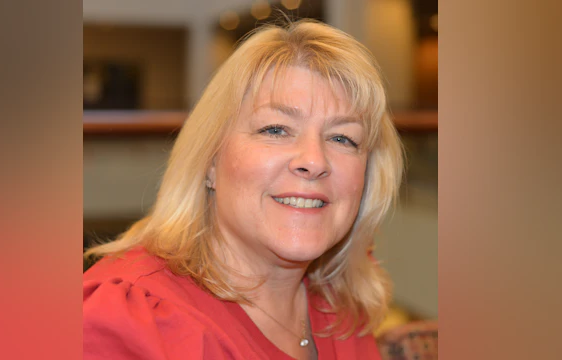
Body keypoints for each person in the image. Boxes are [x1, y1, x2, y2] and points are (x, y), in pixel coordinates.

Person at [83, 19, 403, 360]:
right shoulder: (131, 322)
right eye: (276, 129)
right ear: (210, 161)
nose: (314, 160)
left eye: (343, 138)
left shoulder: (342, 301)